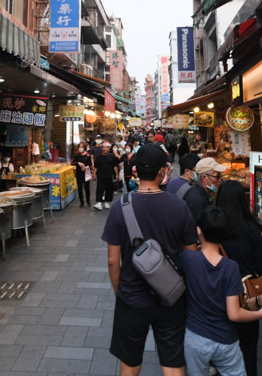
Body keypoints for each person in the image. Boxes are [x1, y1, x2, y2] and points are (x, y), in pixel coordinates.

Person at [101, 144, 198, 375]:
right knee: (173, 362)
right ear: (163, 172)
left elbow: (113, 261)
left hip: (132, 297)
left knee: (130, 363)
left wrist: (120, 291)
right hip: (172, 297)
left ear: (136, 170)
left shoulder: (119, 207)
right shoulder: (179, 206)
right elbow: (190, 254)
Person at [180, 206, 262, 376]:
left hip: (195, 338)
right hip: (225, 339)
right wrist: (261, 312)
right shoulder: (230, 268)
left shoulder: (188, 259)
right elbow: (234, 314)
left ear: (199, 230)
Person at [217, 180, 262, 376]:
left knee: (220, 348)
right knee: (248, 349)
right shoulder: (251, 230)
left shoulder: (214, 228)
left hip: (218, 294)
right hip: (246, 297)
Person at [93, 140, 118, 210]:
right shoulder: (98, 157)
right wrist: (94, 174)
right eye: (103, 147)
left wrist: (117, 174)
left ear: (109, 149)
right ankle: (99, 203)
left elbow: (115, 166)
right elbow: (95, 167)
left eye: (106, 147)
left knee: (109, 189)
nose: (105, 149)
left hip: (109, 175)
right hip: (100, 176)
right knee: (99, 189)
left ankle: (107, 202)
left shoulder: (112, 156)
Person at [73, 142, 93, 208]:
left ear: (84, 147)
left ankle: (88, 201)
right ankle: (81, 202)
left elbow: (90, 164)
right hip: (79, 173)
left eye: (82, 147)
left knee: (87, 188)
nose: (80, 148)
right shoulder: (76, 154)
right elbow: (73, 162)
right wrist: (78, 163)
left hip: (86, 173)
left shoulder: (88, 155)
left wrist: (86, 167)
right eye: (79, 147)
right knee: (80, 188)